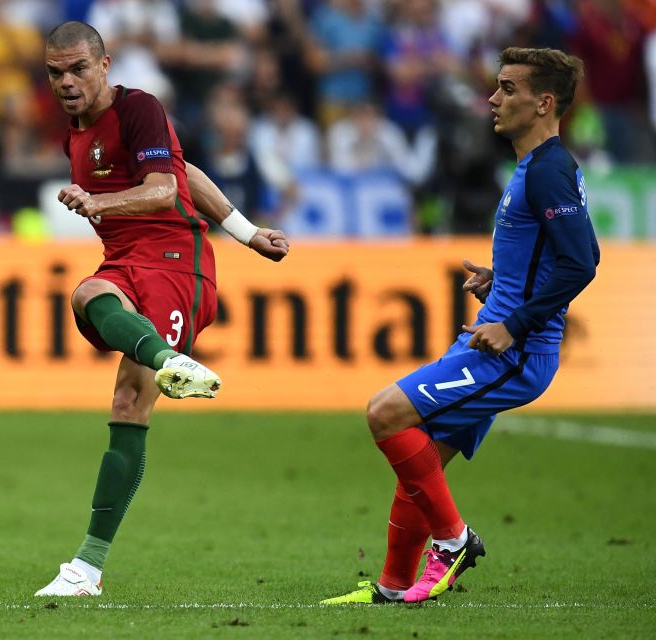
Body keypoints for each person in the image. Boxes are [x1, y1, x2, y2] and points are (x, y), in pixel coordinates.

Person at [321, 47, 599, 605]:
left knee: (385, 414)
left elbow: (582, 260)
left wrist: (516, 323)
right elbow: (552, 254)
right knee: (420, 468)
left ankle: (453, 543)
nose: (493, 99)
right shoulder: (533, 167)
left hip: (512, 350)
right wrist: (504, 277)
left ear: (544, 103)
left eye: (508, 89)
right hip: (494, 333)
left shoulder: (548, 171)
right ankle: (395, 588)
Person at [33, 21, 289, 598]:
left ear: (105, 65)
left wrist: (239, 234)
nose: (66, 82)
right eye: (55, 72)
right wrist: (247, 232)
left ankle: (86, 567)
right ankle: (87, 572)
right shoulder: (74, 132)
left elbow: (166, 188)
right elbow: (184, 169)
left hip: (177, 260)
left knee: (131, 398)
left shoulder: (139, 107)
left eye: (77, 69)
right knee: (87, 301)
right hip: (126, 258)